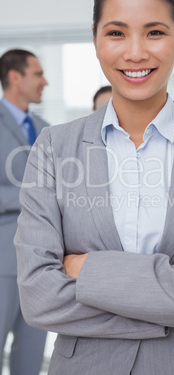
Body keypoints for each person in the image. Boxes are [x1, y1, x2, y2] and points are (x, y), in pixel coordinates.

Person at [15, 0, 174, 374]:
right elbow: (39, 298)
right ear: (95, 39)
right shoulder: (54, 147)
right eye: (116, 33)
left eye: (155, 32)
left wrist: (84, 268)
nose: (136, 52)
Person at [0, 49, 48, 374]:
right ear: (15, 77)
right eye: (38, 74)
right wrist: (35, 195)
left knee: (32, 355)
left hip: (42, 262)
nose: (45, 82)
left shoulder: (46, 128)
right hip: (3, 259)